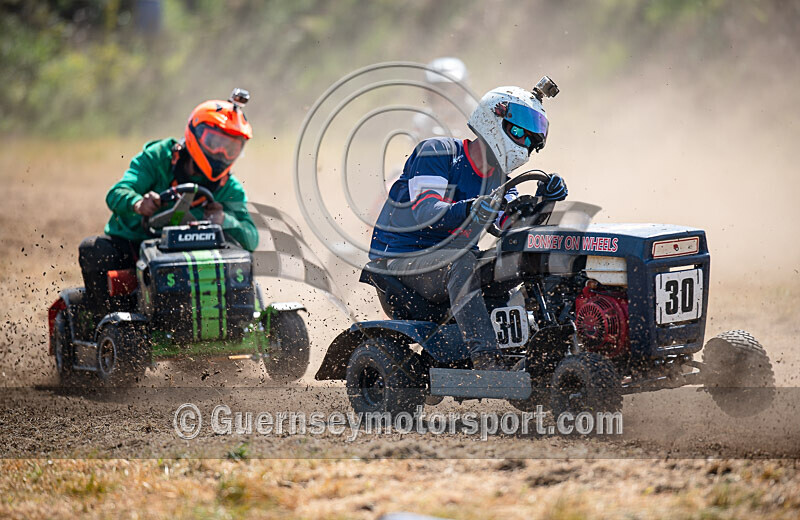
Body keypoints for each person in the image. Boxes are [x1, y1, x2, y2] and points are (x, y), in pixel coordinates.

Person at [369, 84, 567, 371]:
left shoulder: (500, 180)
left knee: (530, 256)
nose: (525, 144)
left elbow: (512, 228)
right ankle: (487, 360)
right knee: (461, 258)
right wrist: (470, 207)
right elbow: (427, 210)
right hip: (401, 265)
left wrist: (543, 202)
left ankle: (549, 345)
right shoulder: (436, 152)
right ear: (494, 119)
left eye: (531, 140)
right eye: (520, 134)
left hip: (452, 268)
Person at [78, 90, 259, 317]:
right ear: (195, 134)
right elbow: (116, 193)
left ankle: (237, 321)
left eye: (231, 148)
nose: (221, 153)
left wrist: (225, 220)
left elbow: (251, 237)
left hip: (195, 254)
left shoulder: (228, 187)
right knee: (93, 249)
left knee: (241, 258)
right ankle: (108, 321)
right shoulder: (158, 157)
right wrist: (137, 203)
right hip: (136, 247)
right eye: (215, 143)